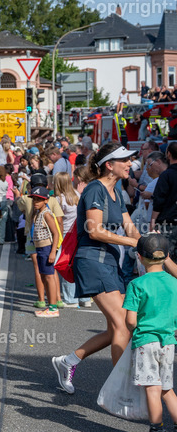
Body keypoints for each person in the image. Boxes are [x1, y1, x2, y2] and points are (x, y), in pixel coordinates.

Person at [52, 142, 142, 394]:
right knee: (124, 324)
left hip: (111, 264)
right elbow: (94, 230)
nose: (130, 164)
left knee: (116, 327)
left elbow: (129, 226)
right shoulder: (95, 189)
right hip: (93, 262)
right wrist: (132, 242)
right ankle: (121, 389)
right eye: (124, 160)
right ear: (109, 165)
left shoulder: (118, 193)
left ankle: (68, 360)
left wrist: (144, 244)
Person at [123, 234, 177, 432]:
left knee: (152, 389)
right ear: (167, 256)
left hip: (146, 342)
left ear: (139, 257)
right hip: (168, 341)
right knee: (167, 389)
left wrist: (131, 332)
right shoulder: (174, 283)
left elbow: (130, 320)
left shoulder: (137, 284)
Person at [30, 186, 62, 317]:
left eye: (39, 200)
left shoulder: (47, 214)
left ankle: (53, 307)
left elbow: (55, 234)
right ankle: (50, 305)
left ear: (46, 201)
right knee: (44, 276)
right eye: (34, 199)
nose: (36, 202)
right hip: (40, 248)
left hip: (47, 248)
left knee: (49, 277)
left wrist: (53, 251)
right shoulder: (38, 213)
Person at [54, 172, 80, 306]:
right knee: (76, 266)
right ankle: (83, 297)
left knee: (64, 266)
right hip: (77, 233)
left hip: (64, 235)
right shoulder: (77, 195)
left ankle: (70, 298)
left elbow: (57, 220)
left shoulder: (59, 199)